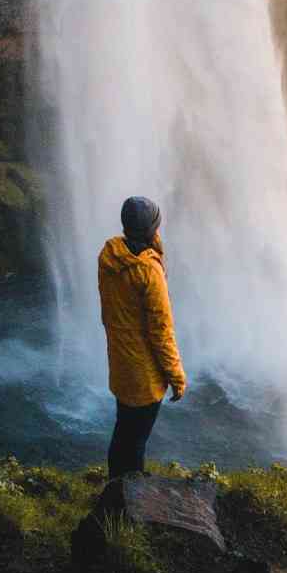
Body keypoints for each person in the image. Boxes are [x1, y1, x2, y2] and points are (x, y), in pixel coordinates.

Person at [97, 194, 188, 478]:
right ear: (152, 230)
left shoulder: (109, 256)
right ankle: (126, 505)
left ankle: (115, 490)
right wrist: (177, 376)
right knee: (135, 444)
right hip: (144, 375)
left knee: (122, 434)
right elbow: (161, 332)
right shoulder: (149, 272)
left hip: (121, 365)